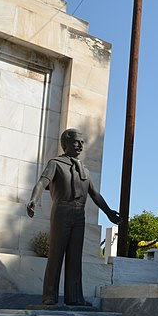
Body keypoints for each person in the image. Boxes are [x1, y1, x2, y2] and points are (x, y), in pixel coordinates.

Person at [27, 129, 121, 306]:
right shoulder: (56, 163)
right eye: (76, 142)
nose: (80, 145)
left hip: (79, 214)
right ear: (66, 144)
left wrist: (108, 212)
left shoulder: (84, 170)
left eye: (82, 142)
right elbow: (42, 182)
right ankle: (49, 296)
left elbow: (95, 194)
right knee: (56, 254)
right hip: (61, 211)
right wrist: (33, 199)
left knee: (75, 256)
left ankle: (75, 297)